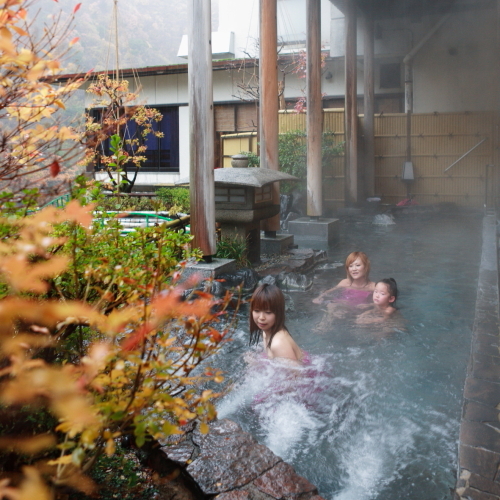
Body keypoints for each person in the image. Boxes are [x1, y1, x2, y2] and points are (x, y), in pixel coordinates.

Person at [249, 283, 303, 362]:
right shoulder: (266, 332)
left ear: (278, 313)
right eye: (257, 311)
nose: (261, 317)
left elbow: (297, 374)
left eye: (268, 312)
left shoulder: (278, 344)